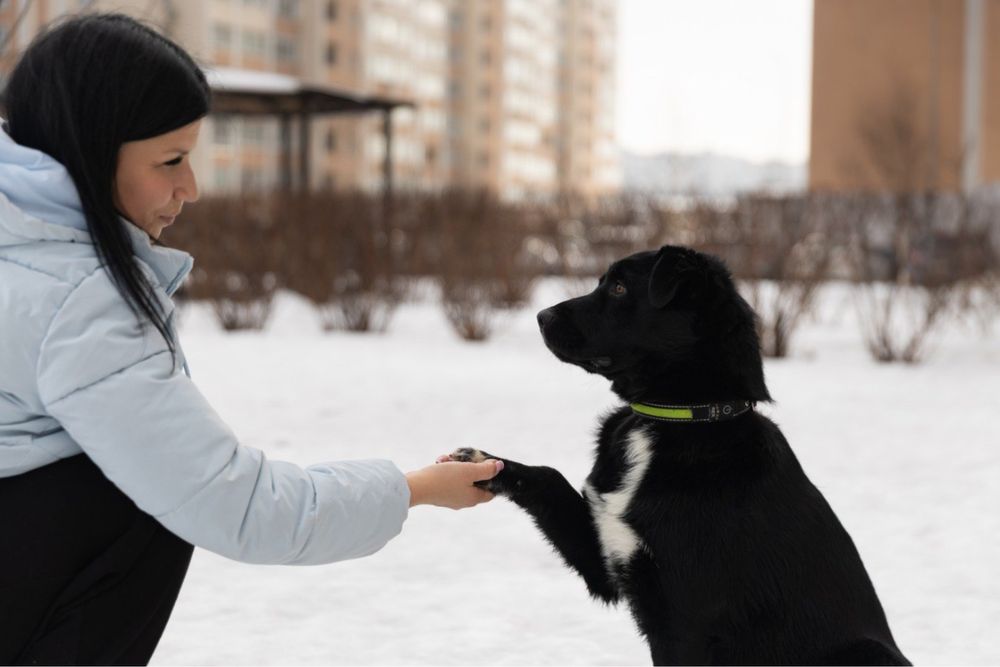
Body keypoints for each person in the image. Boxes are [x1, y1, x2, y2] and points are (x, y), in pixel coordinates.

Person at [0, 12, 502, 665]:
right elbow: (235, 503)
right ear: (93, 148)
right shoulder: (79, 305)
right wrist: (416, 487)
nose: (192, 188)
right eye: (171, 160)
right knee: (145, 502)